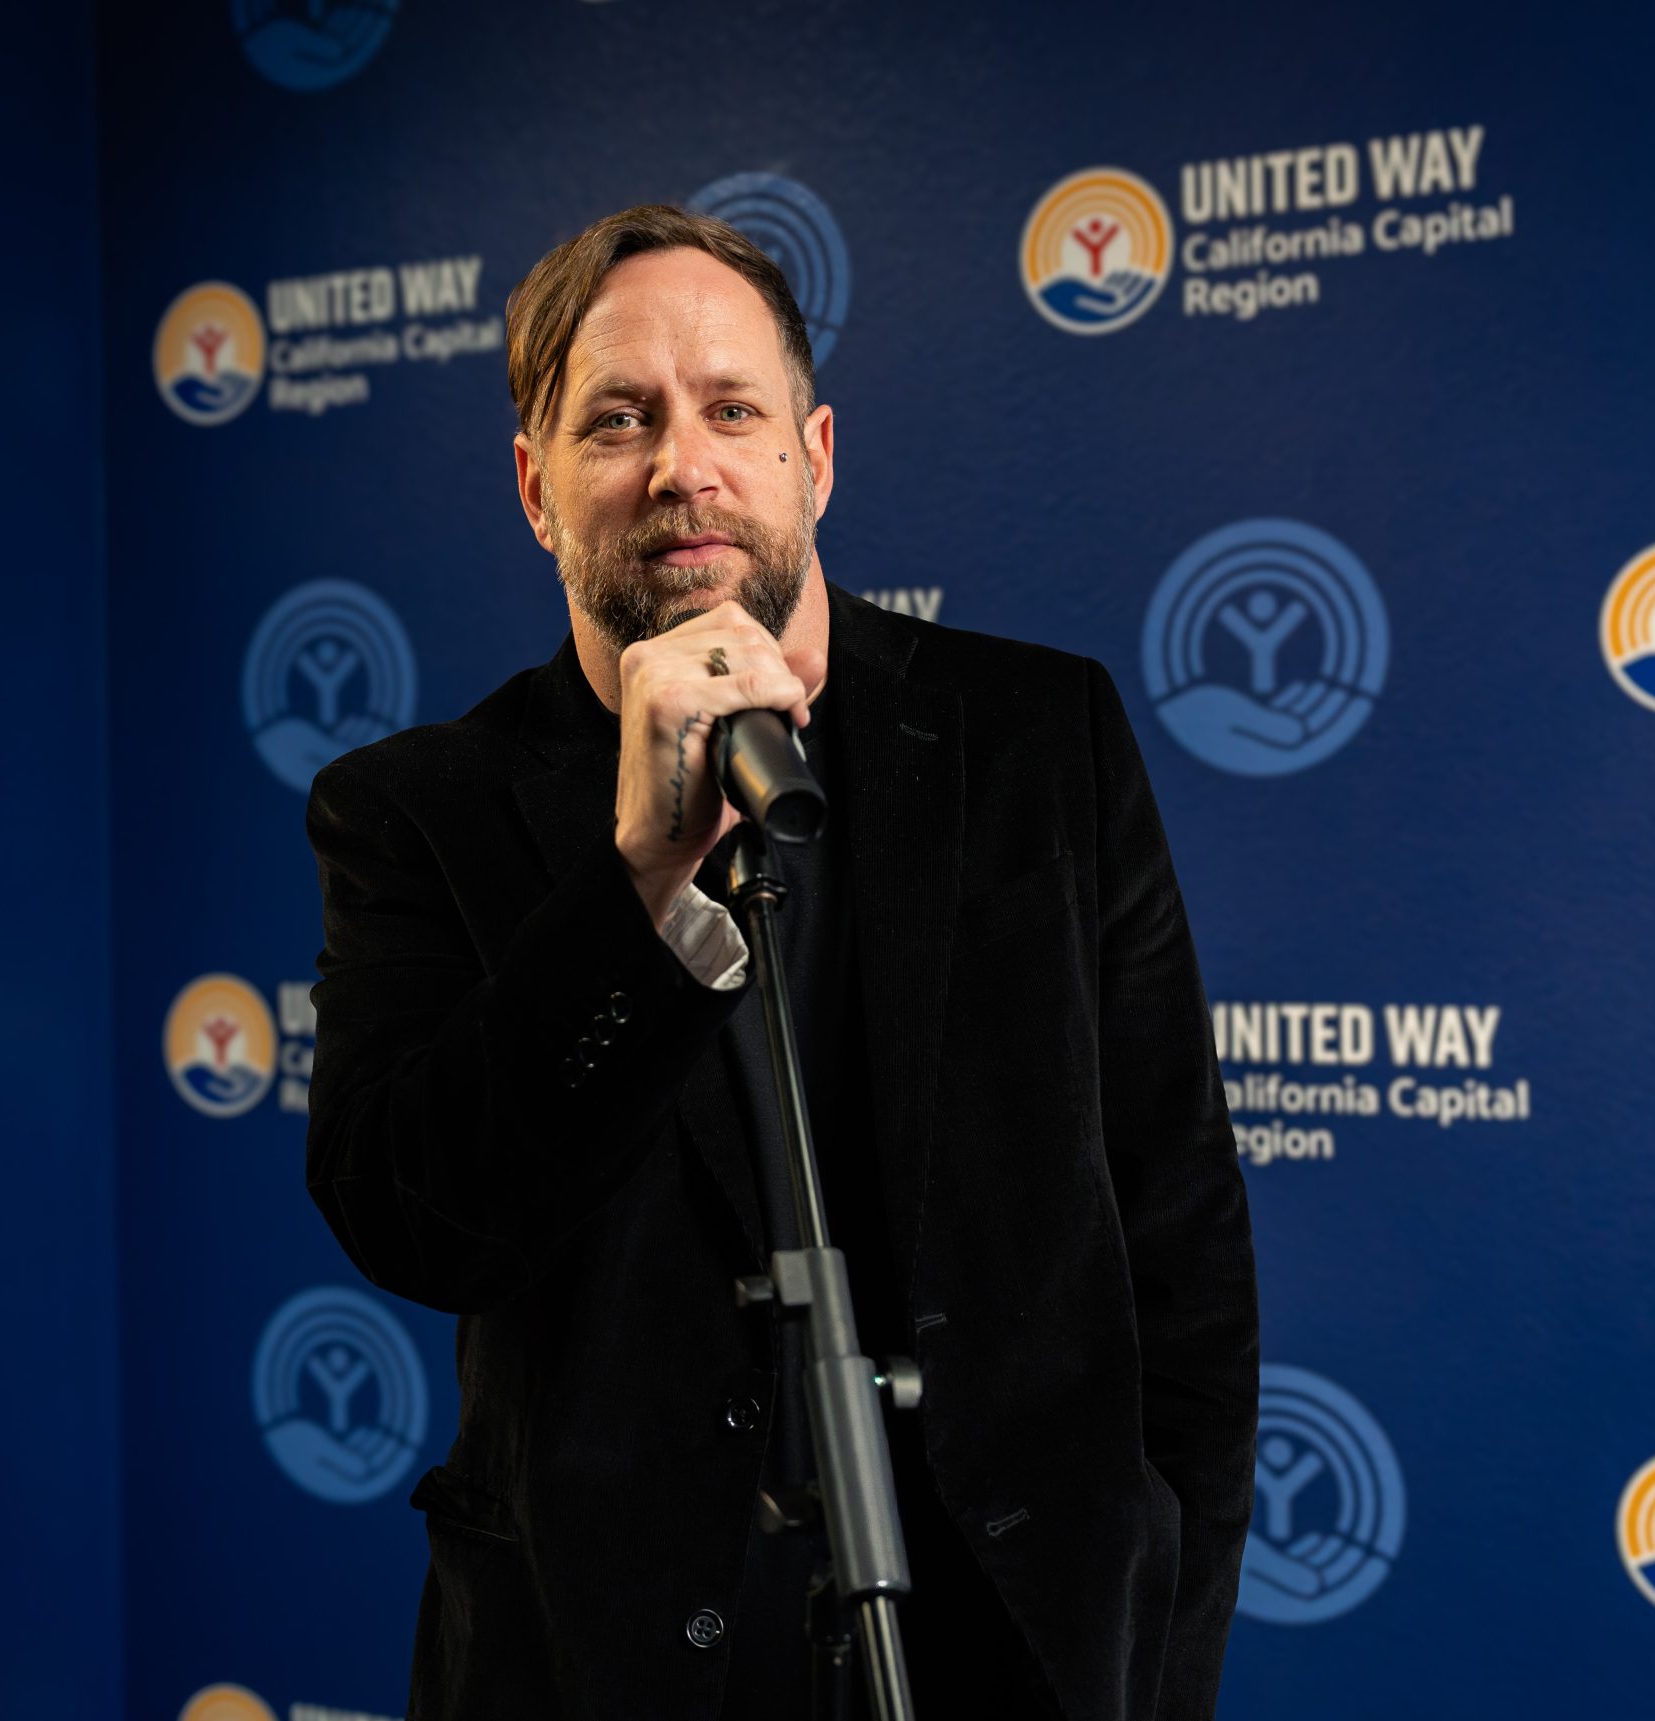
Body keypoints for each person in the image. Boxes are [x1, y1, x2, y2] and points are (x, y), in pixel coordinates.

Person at [304, 204, 1257, 1720]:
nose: (684, 464)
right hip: (603, 1668)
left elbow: (1183, 1246)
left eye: (730, 409)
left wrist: (1158, 1655)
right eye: (617, 420)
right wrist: (636, 877)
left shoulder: (1036, 742)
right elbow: (420, 1218)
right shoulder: (419, 808)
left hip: (1020, 1650)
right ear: (535, 489)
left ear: (814, 452)